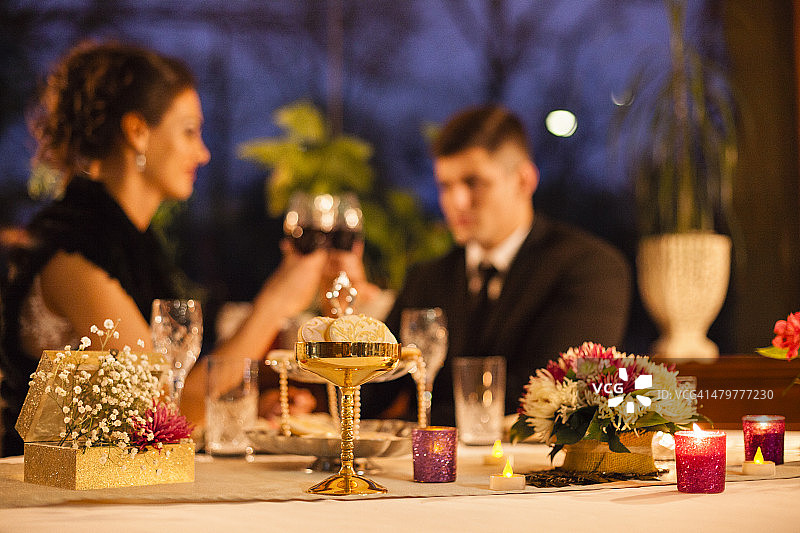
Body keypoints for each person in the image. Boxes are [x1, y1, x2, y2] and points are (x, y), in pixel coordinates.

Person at [0, 41, 326, 456]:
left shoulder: (133, 246)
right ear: (137, 132)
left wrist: (253, 409)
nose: (204, 153)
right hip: (58, 503)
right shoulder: (75, 255)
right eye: (189, 131)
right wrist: (276, 302)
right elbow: (162, 416)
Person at [362, 104, 632, 426]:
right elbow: (375, 389)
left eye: (474, 182)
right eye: (445, 186)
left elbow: (550, 397)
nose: (456, 201)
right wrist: (316, 395)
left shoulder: (589, 268)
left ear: (524, 180)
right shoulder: (427, 278)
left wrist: (416, 418)